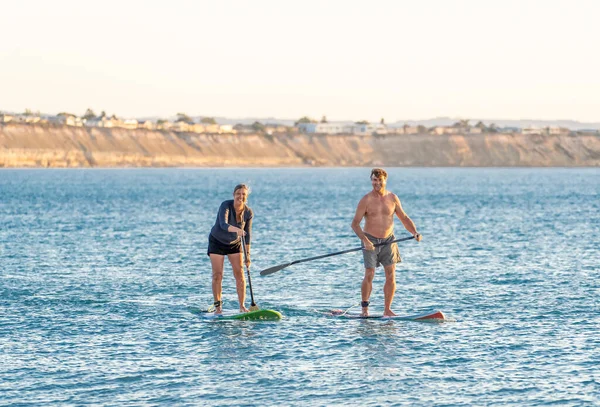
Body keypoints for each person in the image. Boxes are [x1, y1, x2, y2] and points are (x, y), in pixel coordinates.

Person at [351, 168, 422, 317]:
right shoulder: (366, 200)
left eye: (379, 180)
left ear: (385, 180)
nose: (376, 183)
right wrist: (365, 241)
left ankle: (387, 310)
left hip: (389, 241)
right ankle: (364, 310)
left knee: (391, 275)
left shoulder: (392, 198)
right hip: (370, 241)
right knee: (369, 274)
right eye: (374, 180)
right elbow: (355, 224)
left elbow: (404, 218)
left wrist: (414, 232)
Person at [207, 184, 253, 314]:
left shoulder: (248, 212)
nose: (240, 196)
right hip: (217, 242)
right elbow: (223, 224)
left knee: (240, 274)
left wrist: (247, 256)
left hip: (234, 243)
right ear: (234, 194)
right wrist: (237, 230)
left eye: (243, 194)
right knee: (218, 275)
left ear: (246, 197)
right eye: (238, 193)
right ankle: (218, 308)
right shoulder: (225, 205)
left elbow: (247, 235)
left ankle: (242, 306)